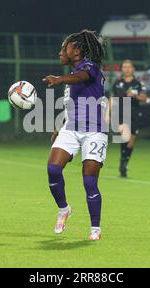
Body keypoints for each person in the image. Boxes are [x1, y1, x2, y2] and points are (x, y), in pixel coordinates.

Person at [42, 29, 107, 241]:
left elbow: (82, 76)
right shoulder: (71, 78)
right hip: (71, 128)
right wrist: (59, 127)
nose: (61, 51)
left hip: (94, 132)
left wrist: (59, 79)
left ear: (76, 50)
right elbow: (72, 105)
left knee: (89, 182)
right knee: (53, 168)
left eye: (65, 48)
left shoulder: (89, 68)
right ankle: (64, 209)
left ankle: (95, 228)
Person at [110, 60, 147, 177]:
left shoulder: (138, 84)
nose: (126, 69)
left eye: (129, 67)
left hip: (135, 113)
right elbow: (112, 99)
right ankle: (123, 164)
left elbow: (144, 98)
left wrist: (135, 95)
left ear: (133, 69)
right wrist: (107, 113)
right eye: (124, 67)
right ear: (122, 69)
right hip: (121, 113)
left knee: (132, 140)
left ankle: (124, 160)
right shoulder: (117, 83)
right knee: (125, 136)